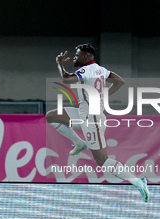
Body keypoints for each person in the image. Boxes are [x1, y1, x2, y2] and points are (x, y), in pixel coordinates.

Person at [46, 43, 149, 202]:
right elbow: (120, 81)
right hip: (84, 114)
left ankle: (137, 181)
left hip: (91, 119)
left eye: (77, 54)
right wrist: (104, 95)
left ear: (86, 57)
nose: (74, 57)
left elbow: (66, 79)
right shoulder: (102, 70)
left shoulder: (86, 70)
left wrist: (60, 64)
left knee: (102, 160)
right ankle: (79, 143)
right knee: (52, 116)